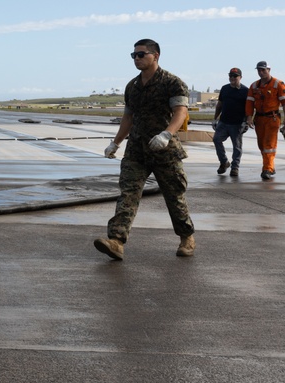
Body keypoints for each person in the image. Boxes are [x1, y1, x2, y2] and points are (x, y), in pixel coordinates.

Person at [94, 39, 195, 260]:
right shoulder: (132, 86)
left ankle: (186, 237)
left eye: (141, 54)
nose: (137, 59)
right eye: (134, 55)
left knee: (174, 196)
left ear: (155, 56)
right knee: (128, 194)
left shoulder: (172, 83)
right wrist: (116, 142)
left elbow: (181, 112)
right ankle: (116, 241)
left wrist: (166, 134)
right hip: (136, 150)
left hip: (164, 150)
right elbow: (128, 117)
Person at [245, 61, 285, 180]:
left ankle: (267, 169)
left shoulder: (278, 84)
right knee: (261, 144)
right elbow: (249, 103)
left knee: (269, 145)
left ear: (269, 70)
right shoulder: (254, 86)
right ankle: (270, 165)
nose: (261, 72)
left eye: (263, 70)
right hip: (259, 119)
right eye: (259, 70)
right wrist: (249, 117)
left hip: (272, 118)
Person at [212, 67, 248, 177]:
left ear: (240, 77)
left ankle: (235, 167)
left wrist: (246, 122)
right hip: (223, 122)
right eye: (230, 76)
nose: (232, 78)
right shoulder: (225, 89)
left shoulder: (246, 91)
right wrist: (215, 119)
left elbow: (250, 108)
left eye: (235, 76)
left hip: (237, 123)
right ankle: (224, 162)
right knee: (216, 140)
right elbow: (219, 105)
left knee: (237, 147)